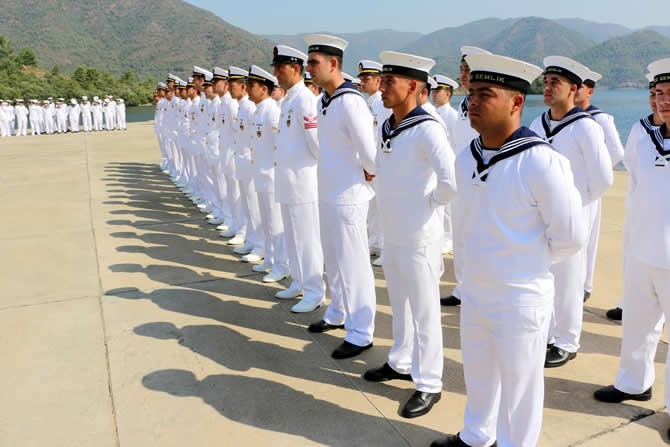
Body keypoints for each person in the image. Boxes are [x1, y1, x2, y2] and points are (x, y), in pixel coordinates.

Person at [431, 53, 585, 447]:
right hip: (476, 290)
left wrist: (523, 261)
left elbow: (570, 236)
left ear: (516, 102)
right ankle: (476, 436)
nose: (473, 102)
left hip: (520, 294)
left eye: (486, 94)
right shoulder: (466, 157)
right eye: (472, 93)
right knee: (479, 374)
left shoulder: (541, 161)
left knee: (519, 390)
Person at [363, 50, 456, 418]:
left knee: (424, 310)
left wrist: (426, 204)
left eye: (389, 81)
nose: (382, 87)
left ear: (413, 86)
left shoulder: (428, 128)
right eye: (382, 80)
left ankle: (430, 382)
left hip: (419, 235)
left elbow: (451, 181)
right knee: (400, 304)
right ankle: (400, 360)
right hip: (394, 232)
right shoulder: (389, 124)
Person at [592, 58, 670, 440]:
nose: (663, 100)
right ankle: (633, 382)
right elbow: (637, 184)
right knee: (637, 323)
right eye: (658, 93)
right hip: (642, 249)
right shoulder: (641, 132)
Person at [529, 56, 613, 368]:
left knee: (569, 278)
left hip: (575, 211)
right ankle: (548, 334)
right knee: (545, 274)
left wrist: (578, 204)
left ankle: (566, 340)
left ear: (574, 89)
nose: (547, 87)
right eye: (546, 81)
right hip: (541, 213)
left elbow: (603, 177)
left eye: (556, 83)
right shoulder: (538, 123)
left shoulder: (586, 127)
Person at [305, 34, 377, 359]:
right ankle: (338, 312)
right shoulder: (325, 100)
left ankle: (361, 332)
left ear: (333, 64)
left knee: (354, 265)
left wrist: (367, 172)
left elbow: (370, 153)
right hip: (328, 192)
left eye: (313, 62)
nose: (308, 68)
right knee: (333, 260)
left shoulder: (350, 101)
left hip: (348, 196)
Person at [271, 44, 327, 313]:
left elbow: (315, 143)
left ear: (295, 69)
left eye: (280, 68)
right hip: (287, 180)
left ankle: (315, 291)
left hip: (303, 182)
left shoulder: (305, 100)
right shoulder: (288, 100)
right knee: (292, 236)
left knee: (307, 239)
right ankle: (298, 281)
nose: (276, 73)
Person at [605, 72, 664, 322]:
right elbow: (630, 162)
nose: (655, 100)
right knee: (633, 251)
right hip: (639, 199)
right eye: (653, 94)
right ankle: (627, 301)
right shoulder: (640, 128)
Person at [442, 45, 492, 307]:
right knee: (460, 235)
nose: (463, 74)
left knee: (482, 237)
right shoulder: (463, 104)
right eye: (462, 68)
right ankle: (463, 287)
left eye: (469, 69)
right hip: (461, 177)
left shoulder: (489, 105)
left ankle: (483, 288)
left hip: (482, 180)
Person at [574, 69, 625, 302]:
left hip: (589, 189)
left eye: (580, 87)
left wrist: (593, 175)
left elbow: (616, 151)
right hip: (569, 188)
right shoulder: (561, 117)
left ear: (590, 91)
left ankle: (585, 284)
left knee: (587, 238)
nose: (575, 90)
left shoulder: (599, 118)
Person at [245, 64, 290, 283]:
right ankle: (270, 259)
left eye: (251, 85)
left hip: (271, 175)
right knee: (266, 221)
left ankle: (282, 265)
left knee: (275, 223)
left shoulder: (272, 111)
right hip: (261, 174)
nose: (247, 88)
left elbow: (279, 145)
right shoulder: (258, 110)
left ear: (264, 89)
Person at [357, 59, 391, 267]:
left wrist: (377, 164)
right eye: (361, 78)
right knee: (373, 207)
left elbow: (384, 135)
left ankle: (387, 247)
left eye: (366, 78)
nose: (362, 82)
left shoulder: (383, 103)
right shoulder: (368, 103)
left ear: (378, 81)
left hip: (380, 163)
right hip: (370, 163)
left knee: (384, 206)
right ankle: (376, 242)